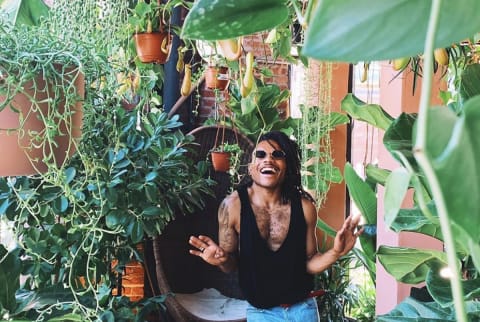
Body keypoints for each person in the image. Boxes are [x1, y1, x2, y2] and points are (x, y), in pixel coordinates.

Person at [189, 130, 362, 321]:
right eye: (260, 154)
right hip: (261, 313)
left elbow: (309, 263)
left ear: (287, 166)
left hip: (302, 310)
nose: (268, 160)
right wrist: (222, 260)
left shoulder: (305, 207)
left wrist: (335, 253)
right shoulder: (232, 207)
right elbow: (231, 265)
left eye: (277, 155)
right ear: (251, 166)